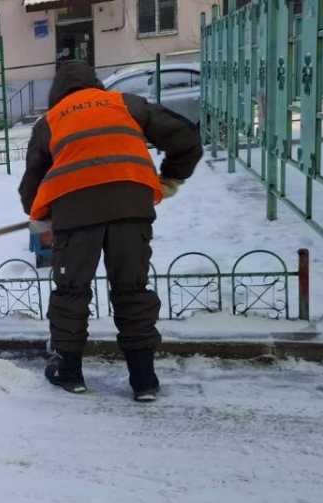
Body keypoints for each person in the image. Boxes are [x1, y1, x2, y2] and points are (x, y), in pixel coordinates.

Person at [18, 61, 202, 402]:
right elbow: (186, 137)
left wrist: (44, 213)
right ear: (95, 84)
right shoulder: (126, 104)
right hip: (131, 206)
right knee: (132, 289)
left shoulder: (50, 122)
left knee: (71, 291)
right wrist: (171, 177)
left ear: (57, 92)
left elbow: (30, 190)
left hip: (74, 212)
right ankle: (144, 379)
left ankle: (68, 371)